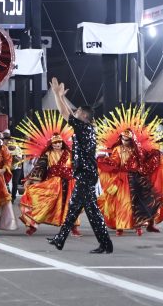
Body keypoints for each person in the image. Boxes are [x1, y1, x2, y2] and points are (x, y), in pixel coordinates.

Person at [46, 78, 113, 254]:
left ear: (84, 116)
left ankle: (105, 244)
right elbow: (69, 113)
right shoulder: (86, 127)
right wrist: (61, 97)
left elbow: (64, 113)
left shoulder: (83, 128)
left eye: (78, 111)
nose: (74, 112)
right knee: (77, 208)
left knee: (89, 210)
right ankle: (61, 239)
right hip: (86, 174)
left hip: (85, 175)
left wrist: (56, 95)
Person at [19, 134, 80, 236]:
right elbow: (39, 167)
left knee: (72, 205)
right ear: (51, 144)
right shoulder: (48, 154)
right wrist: (29, 180)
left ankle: (74, 228)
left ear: (62, 143)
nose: (57, 144)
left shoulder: (69, 154)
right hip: (53, 184)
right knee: (44, 204)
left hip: (70, 183)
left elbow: (76, 167)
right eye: (55, 143)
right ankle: (33, 225)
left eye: (59, 142)